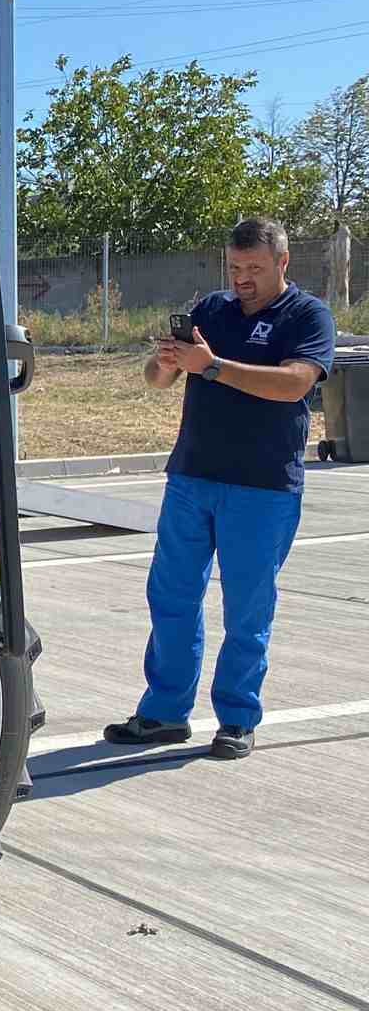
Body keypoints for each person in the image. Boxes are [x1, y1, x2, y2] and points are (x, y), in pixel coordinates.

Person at [106, 217, 335, 760]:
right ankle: (165, 712)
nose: (243, 279)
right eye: (235, 267)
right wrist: (167, 363)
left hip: (262, 487)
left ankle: (236, 717)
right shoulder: (211, 310)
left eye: (255, 268)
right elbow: (156, 380)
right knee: (171, 596)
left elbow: (295, 383)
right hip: (191, 477)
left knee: (247, 607)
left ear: (283, 263)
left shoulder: (307, 315)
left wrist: (211, 368)